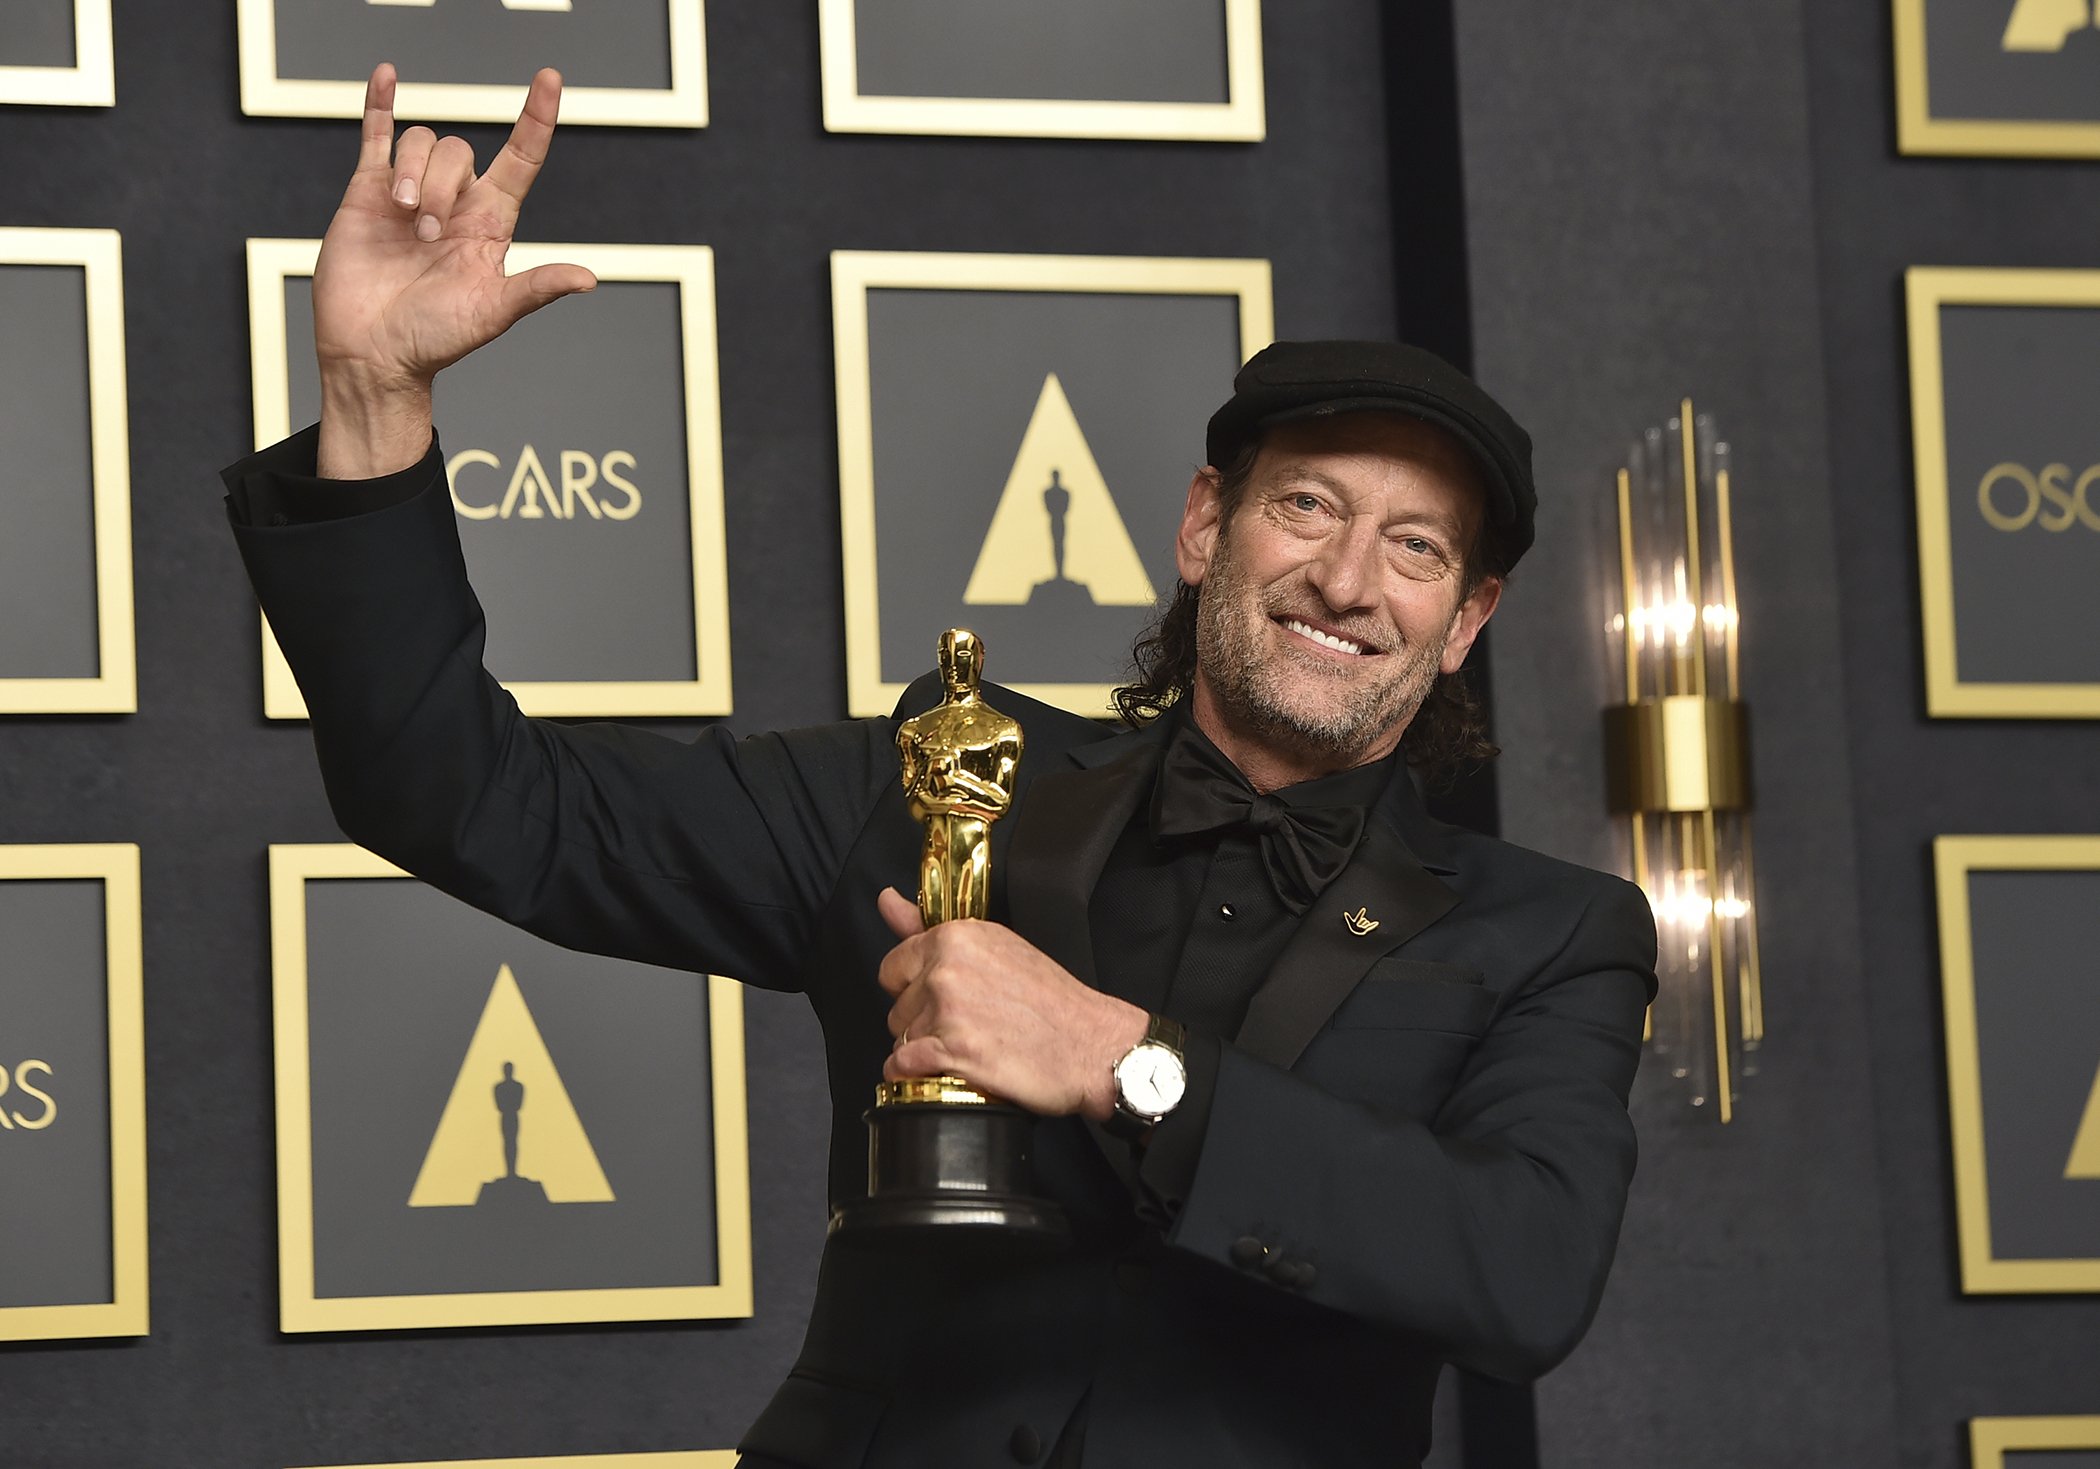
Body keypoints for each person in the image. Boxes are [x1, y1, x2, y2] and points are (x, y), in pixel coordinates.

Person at [223, 64, 1656, 1469]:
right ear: (1204, 526)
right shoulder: (937, 772)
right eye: (1309, 506)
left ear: (1466, 619)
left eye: (1416, 547)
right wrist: (372, 400)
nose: (1347, 579)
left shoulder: (1550, 934)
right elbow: (471, 798)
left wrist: (1120, 1062)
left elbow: (1523, 1272)